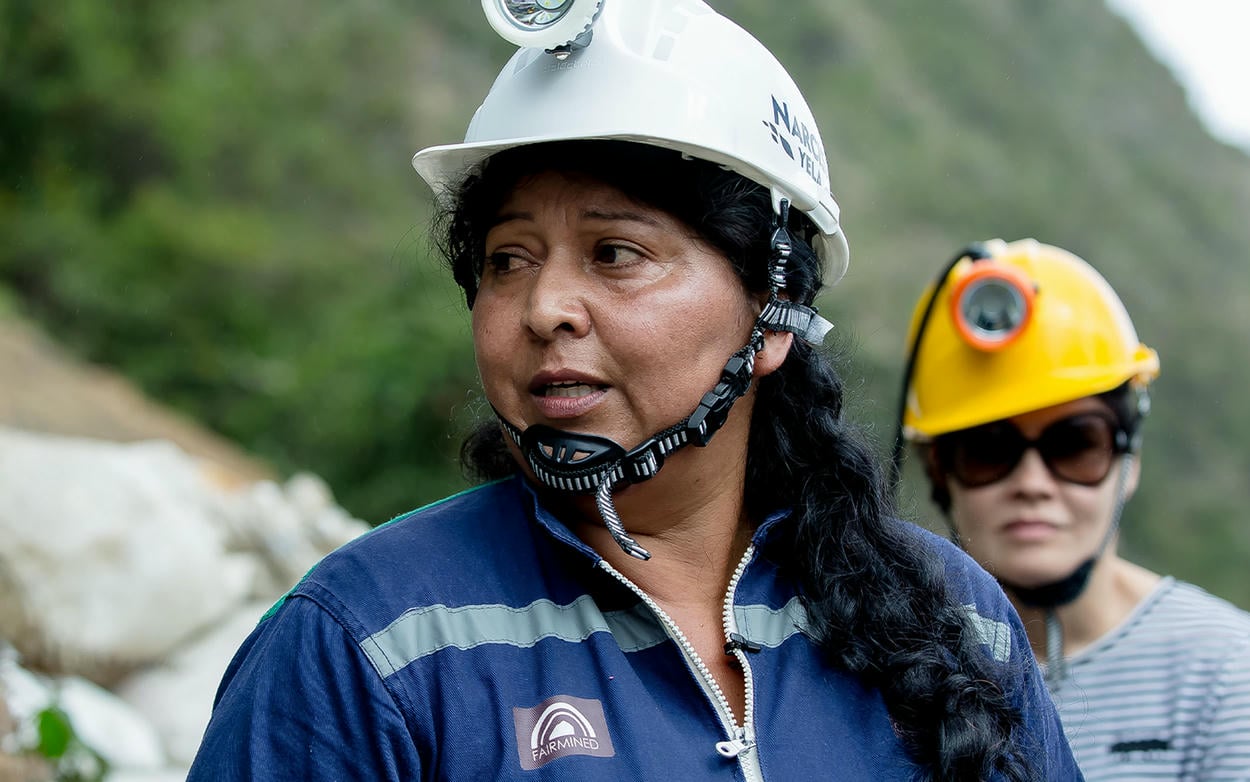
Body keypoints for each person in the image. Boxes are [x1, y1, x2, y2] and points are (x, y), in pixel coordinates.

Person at [188, 3, 1082, 780]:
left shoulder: (956, 623)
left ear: (771, 316)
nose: (544, 309)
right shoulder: (370, 640)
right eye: (507, 261)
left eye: (616, 254)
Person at [894, 238, 1250, 779]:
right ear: (940, 475)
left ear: (1128, 460)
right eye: (989, 452)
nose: (1032, 483)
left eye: (1075, 444)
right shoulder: (891, 670)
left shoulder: (1227, 673)